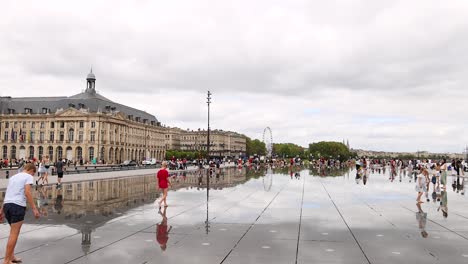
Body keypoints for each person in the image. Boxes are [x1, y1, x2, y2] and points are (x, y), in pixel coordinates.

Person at [0, 163, 40, 264]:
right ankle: (6, 261)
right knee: (14, 234)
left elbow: (8, 192)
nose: (32, 175)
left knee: (12, 232)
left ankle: (11, 256)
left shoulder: (13, 177)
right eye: (33, 173)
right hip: (17, 206)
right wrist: (34, 208)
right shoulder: (28, 177)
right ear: (31, 170)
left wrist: (1, 210)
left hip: (8, 206)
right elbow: (27, 192)